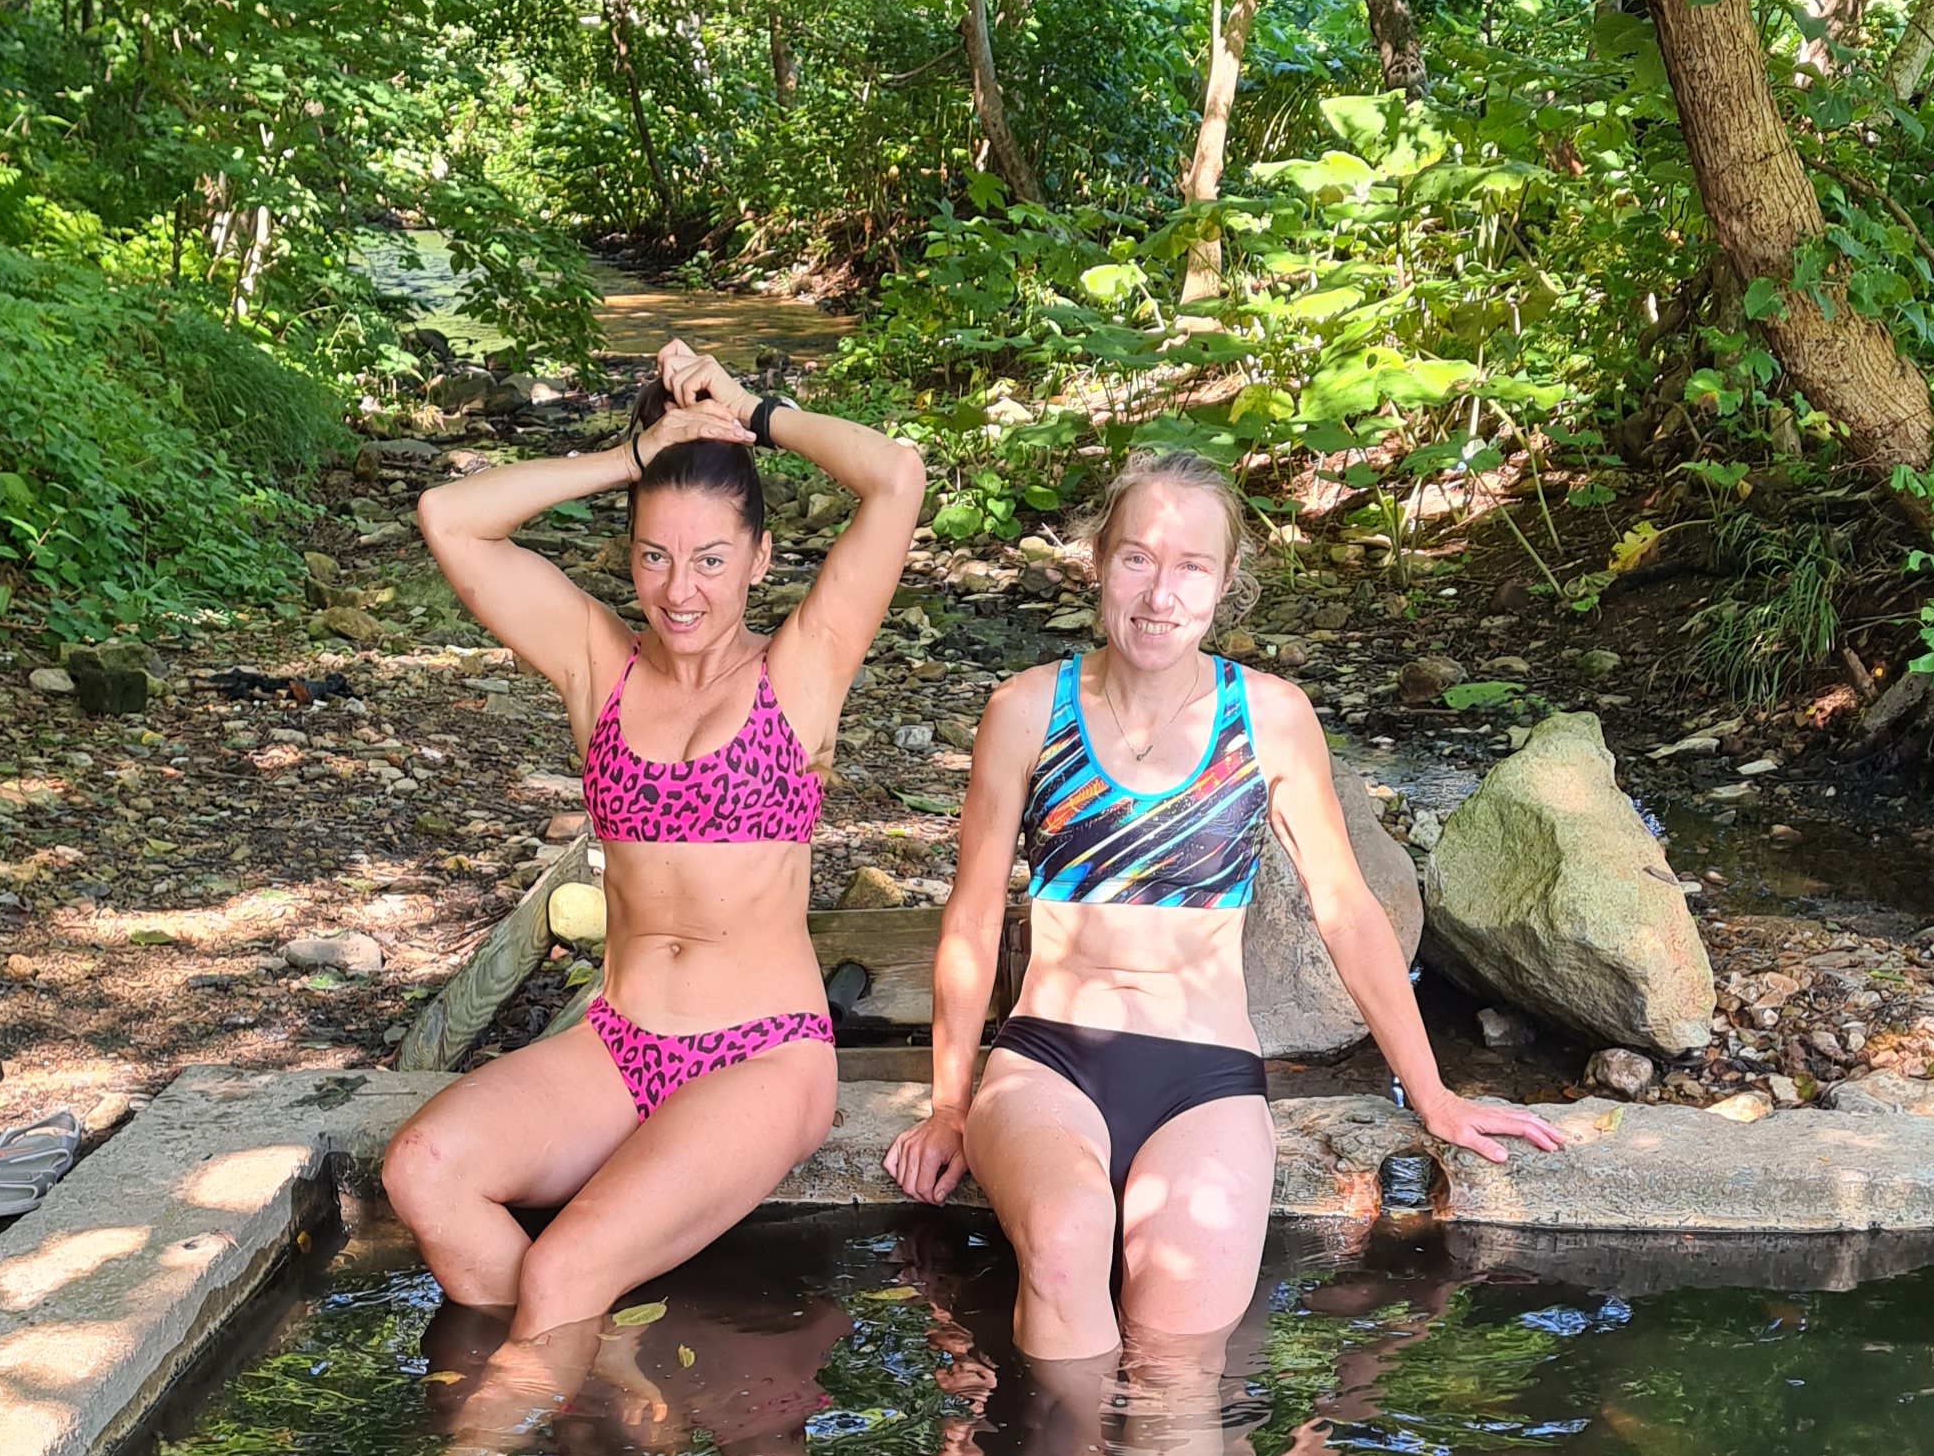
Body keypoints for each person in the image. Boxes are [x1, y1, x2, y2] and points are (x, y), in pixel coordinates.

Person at [882, 447, 1558, 1352]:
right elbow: (969, 919)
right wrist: (949, 1104)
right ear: (1099, 560)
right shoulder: (1028, 710)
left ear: (1226, 579)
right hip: (1047, 1063)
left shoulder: (1270, 717)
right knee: (1065, 1242)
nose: (1160, 594)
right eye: (1137, 558)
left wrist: (1431, 1093)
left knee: (1182, 1348)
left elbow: (1346, 907)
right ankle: (1045, 1447)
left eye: (1190, 567)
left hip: (1205, 1082)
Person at [383, 338, 924, 1332]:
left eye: (712, 559)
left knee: (564, 1272)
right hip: (617, 1041)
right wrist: (630, 457)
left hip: (763, 1056)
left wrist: (754, 412)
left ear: (760, 557)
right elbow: (448, 516)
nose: (681, 590)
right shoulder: (599, 662)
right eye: (655, 555)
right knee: (423, 1171)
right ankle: (583, 1378)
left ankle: (492, 1426)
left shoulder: (801, 671)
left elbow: (896, 476)